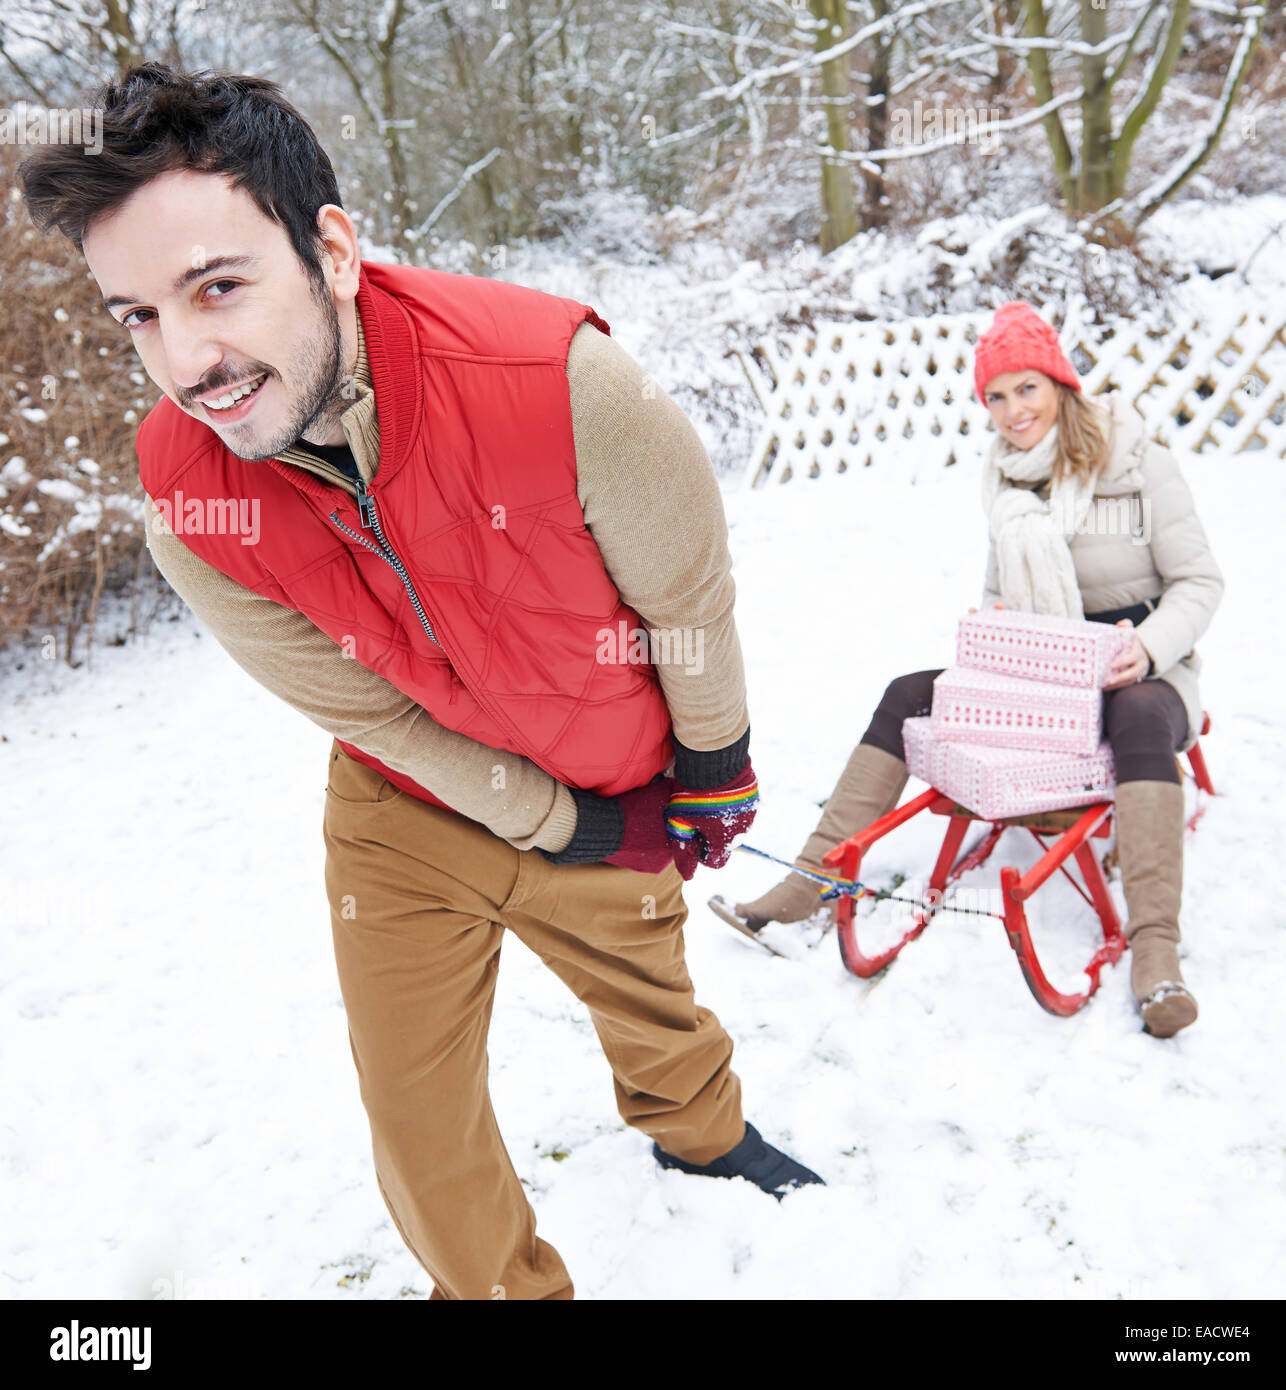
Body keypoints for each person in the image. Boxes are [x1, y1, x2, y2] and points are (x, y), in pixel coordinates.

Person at [19, 63, 823, 1302]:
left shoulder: (564, 388)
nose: (186, 358)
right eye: (137, 317)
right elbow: (365, 709)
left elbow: (684, 608)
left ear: (331, 247)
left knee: (652, 995)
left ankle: (699, 1133)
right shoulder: (188, 501)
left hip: (615, 770)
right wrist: (554, 823)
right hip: (407, 806)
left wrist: (712, 767)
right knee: (414, 1108)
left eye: (217, 286)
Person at [724, 301, 1224, 1039]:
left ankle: (1156, 951)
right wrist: (993, 633)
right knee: (907, 693)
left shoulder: (1138, 461)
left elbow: (1201, 583)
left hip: (1137, 664)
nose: (1013, 411)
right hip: (1042, 670)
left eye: (1027, 388)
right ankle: (811, 880)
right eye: (996, 395)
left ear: (1059, 383)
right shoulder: (1006, 482)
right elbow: (999, 592)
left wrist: (1146, 648)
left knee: (1142, 717)